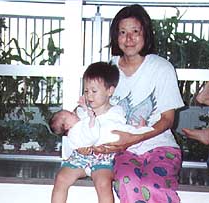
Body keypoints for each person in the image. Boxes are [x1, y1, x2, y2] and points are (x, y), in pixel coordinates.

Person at [93, 4, 184, 203]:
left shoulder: (162, 68)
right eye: (123, 32)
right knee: (127, 182)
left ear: (146, 34)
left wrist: (132, 139)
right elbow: (94, 108)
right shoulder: (108, 69)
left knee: (152, 185)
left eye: (135, 32)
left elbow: (168, 120)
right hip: (122, 151)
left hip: (161, 147)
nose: (129, 39)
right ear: (116, 37)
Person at [50, 61, 153, 203]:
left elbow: (125, 131)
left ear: (109, 91)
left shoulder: (116, 112)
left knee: (103, 184)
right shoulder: (80, 112)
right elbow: (71, 134)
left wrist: (139, 128)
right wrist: (79, 147)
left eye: (94, 91)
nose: (89, 96)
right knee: (61, 178)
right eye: (86, 91)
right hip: (79, 158)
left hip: (104, 159)